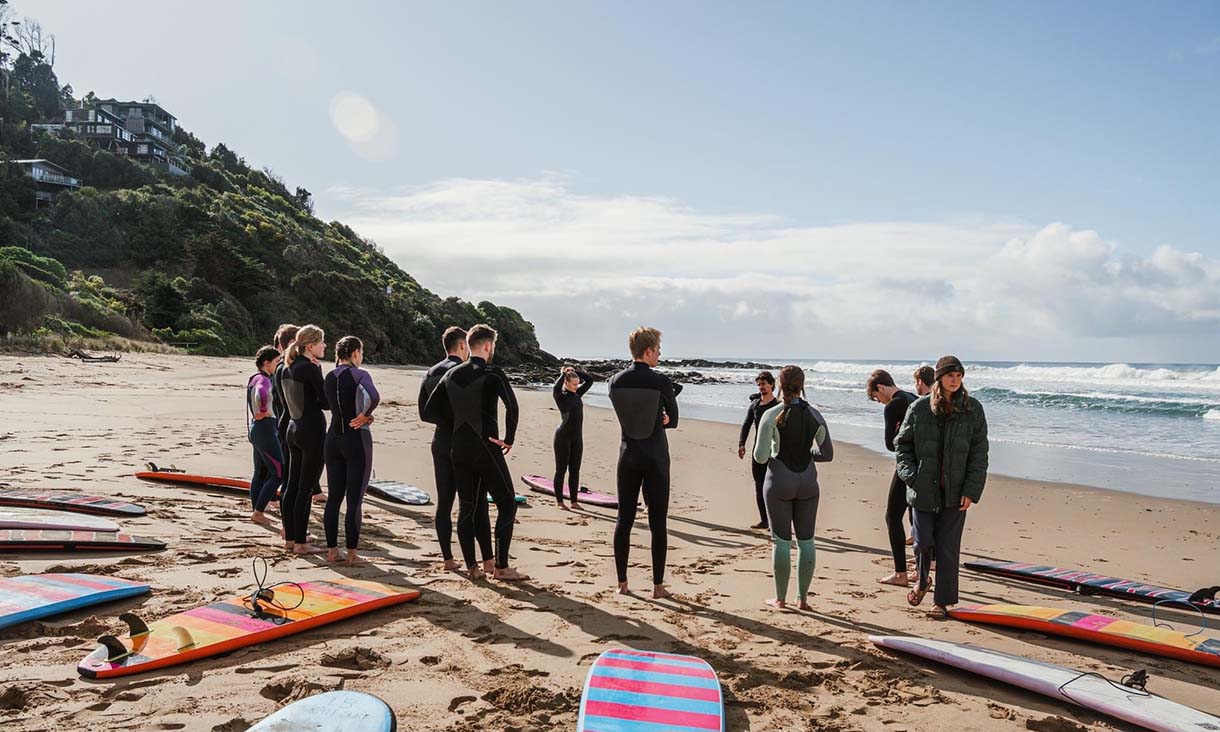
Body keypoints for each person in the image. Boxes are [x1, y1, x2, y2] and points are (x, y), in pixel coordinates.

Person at [422, 324, 529, 581]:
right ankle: (501, 567)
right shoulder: (493, 372)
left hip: (458, 448)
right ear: (488, 346)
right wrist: (508, 439)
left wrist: (457, 423)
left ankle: (473, 568)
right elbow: (512, 407)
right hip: (487, 446)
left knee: (467, 506)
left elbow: (429, 410)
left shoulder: (452, 374)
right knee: (506, 503)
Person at [895, 355, 988, 619]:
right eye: (950, 376)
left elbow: (980, 452)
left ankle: (942, 602)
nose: (955, 380)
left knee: (948, 548)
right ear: (939, 378)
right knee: (922, 542)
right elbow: (902, 445)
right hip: (923, 489)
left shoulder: (973, 409)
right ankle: (922, 580)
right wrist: (911, 475)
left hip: (956, 493)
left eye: (959, 376)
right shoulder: (919, 408)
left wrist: (971, 489)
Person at [608, 326, 682, 599]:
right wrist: (662, 417)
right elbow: (672, 420)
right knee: (657, 521)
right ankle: (658, 586)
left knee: (624, 519)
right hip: (656, 457)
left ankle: (622, 583)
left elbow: (626, 412)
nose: (660, 355)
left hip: (627, 455)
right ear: (648, 351)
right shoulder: (661, 382)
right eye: (658, 350)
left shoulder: (614, 381)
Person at [753, 365, 833, 610]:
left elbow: (760, 456)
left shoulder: (772, 414)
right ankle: (803, 599)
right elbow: (827, 454)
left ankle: (780, 600)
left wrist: (776, 447)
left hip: (779, 481)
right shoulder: (815, 414)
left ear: (779, 384)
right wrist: (809, 452)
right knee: (807, 541)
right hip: (808, 482)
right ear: (802, 385)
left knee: (781, 542)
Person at [419, 326, 491, 571]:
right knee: (474, 502)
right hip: (464, 442)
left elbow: (424, 413)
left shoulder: (431, 372)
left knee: (445, 502)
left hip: (440, 441)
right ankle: (485, 560)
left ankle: (448, 559)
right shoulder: (462, 373)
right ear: (462, 346)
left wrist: (444, 422)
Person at [323, 336, 380, 565]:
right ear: (355, 352)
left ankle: (331, 551)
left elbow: (327, 403)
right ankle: (352, 553)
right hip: (356, 438)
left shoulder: (329, 376)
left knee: (334, 498)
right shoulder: (360, 374)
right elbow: (374, 396)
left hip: (332, 438)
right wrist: (366, 415)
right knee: (354, 499)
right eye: (361, 351)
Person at [866, 369, 918, 587]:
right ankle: (922, 567)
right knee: (919, 518)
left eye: (876, 397)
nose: (879, 402)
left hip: (907, 465)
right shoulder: (913, 398)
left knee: (892, 516)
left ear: (880, 387)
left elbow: (890, 443)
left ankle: (900, 573)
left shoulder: (894, 405)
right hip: (927, 464)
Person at [280, 325, 329, 555]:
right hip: (311, 431)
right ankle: (300, 542)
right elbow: (325, 402)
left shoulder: (287, 367)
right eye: (322, 342)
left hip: (292, 429)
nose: (325, 346)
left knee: (291, 485)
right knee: (305, 488)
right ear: (310, 346)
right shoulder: (309, 369)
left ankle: (290, 538)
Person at [738, 371, 781, 530]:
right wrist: (741, 443)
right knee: (759, 485)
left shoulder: (778, 406)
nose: (761, 387)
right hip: (758, 451)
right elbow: (746, 424)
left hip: (775, 452)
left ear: (772, 385)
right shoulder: (755, 405)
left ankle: (774, 521)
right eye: (759, 385)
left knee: (774, 487)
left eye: (764, 384)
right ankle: (764, 520)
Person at [248, 345, 283, 527]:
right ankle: (259, 512)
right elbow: (261, 394)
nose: (279, 365)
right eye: (277, 362)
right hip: (265, 429)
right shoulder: (264, 379)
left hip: (256, 430)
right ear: (266, 363)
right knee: (279, 473)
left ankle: (257, 508)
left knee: (260, 472)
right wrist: (263, 411)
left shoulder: (253, 378)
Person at [552, 365, 593, 509]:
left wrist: (575, 371)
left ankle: (574, 502)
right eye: (574, 384)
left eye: (577, 384)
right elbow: (556, 388)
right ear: (566, 383)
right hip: (562, 437)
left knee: (575, 470)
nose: (577, 387)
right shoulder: (560, 396)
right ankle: (560, 502)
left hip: (577, 438)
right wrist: (564, 374)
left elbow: (589, 381)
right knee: (561, 470)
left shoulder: (577, 395)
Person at [271, 324, 299, 513]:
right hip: (288, 424)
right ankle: (287, 526)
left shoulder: (281, 367)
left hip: (283, 423)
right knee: (288, 474)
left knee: (286, 472)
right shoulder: (286, 368)